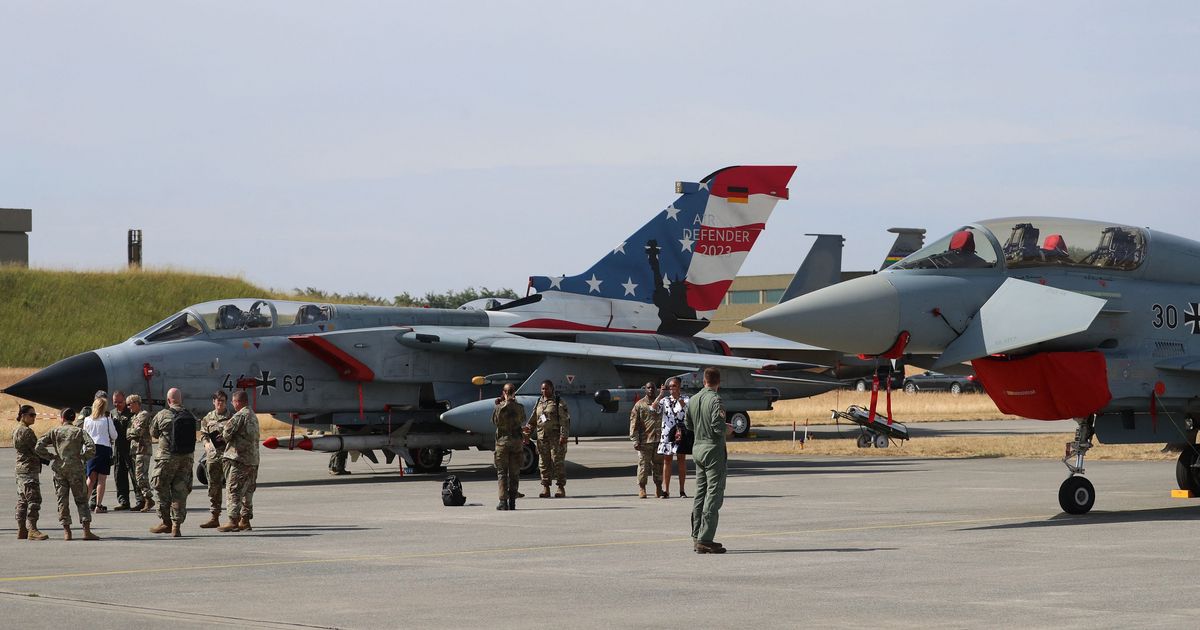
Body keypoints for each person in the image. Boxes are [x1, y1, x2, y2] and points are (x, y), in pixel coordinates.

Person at [685, 367, 731, 554]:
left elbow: (688, 424)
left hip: (697, 448)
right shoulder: (716, 400)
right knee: (714, 493)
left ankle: (697, 535)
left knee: (700, 493)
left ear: (704, 381)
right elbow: (718, 426)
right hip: (712, 449)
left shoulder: (693, 399)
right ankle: (705, 538)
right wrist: (728, 429)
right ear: (718, 382)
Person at [34, 408, 99, 540]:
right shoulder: (79, 431)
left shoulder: (55, 431)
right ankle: (86, 531)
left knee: (62, 500)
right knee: (81, 500)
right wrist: (82, 457)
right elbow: (92, 447)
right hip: (76, 469)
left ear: (62, 418)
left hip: (59, 469)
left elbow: (38, 446)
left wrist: (51, 456)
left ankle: (67, 531)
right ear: (73, 418)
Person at [149, 387, 194, 537]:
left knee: (160, 488)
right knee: (180, 492)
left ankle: (166, 522)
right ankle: (176, 526)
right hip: (186, 459)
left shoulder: (162, 415)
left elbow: (153, 433)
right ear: (181, 400)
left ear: (168, 401)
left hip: (167, 458)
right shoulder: (190, 415)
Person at [219, 390, 260, 532]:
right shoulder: (253, 416)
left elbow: (226, 433)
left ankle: (232, 521)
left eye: (233, 401)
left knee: (234, 490)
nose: (232, 404)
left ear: (238, 402)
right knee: (248, 492)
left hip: (239, 460)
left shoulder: (239, 416)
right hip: (253, 461)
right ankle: (245, 520)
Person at [524, 380, 571, 498]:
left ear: (552, 389)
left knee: (557, 462)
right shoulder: (539, 402)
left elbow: (565, 421)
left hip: (556, 438)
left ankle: (560, 487)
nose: (544, 391)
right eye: (543, 389)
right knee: (543, 464)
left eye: (547, 388)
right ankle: (546, 488)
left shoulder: (558, 402)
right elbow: (533, 420)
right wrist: (527, 434)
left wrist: (563, 436)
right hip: (542, 438)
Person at [13, 405, 49, 540]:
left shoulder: (16, 430)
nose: (34, 417)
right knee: (34, 499)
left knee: (22, 500)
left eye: (35, 415)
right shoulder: (27, 432)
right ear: (23, 415)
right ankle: (32, 529)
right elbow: (37, 449)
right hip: (29, 470)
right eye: (31, 415)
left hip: (20, 469)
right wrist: (49, 458)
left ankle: (21, 529)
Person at [198, 391, 231, 529]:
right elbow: (203, 434)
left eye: (222, 400)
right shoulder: (208, 418)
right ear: (213, 401)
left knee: (231, 487)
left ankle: (234, 517)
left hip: (228, 456)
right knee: (213, 487)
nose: (220, 402)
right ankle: (214, 517)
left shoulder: (231, 417)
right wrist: (205, 443)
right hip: (212, 457)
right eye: (217, 400)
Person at [492, 383, 526, 511]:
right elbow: (522, 420)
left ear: (504, 392)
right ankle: (512, 502)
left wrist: (500, 404)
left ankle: (503, 502)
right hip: (516, 443)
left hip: (502, 443)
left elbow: (495, 422)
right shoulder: (520, 407)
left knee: (502, 473)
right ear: (514, 393)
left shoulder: (498, 408)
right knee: (514, 473)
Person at [82, 397, 119, 513]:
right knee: (101, 480)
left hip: (91, 449)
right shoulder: (107, 420)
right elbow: (114, 436)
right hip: (103, 449)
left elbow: (84, 435)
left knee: (90, 478)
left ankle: (84, 504)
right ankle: (98, 505)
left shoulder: (87, 420)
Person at [629, 381, 664, 499]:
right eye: (648, 388)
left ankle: (659, 488)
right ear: (645, 389)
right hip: (645, 440)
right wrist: (635, 440)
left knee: (658, 465)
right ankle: (642, 488)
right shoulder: (639, 405)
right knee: (644, 465)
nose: (651, 390)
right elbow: (634, 423)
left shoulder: (661, 403)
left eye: (653, 388)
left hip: (659, 440)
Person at [656, 377, 689, 498]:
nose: (671, 388)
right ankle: (666, 490)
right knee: (667, 460)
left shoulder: (685, 398)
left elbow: (687, 410)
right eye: (670, 386)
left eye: (674, 386)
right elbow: (653, 409)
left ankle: (682, 490)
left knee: (681, 459)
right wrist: (660, 395)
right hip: (667, 433)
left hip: (680, 432)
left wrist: (678, 398)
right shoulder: (664, 400)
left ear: (679, 387)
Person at [125, 394, 156, 512]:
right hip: (135, 450)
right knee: (138, 476)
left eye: (130, 404)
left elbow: (137, 432)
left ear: (137, 403)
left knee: (140, 475)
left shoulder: (144, 415)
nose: (128, 407)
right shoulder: (134, 417)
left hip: (143, 449)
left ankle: (149, 499)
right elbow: (128, 433)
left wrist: (131, 433)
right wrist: (131, 433)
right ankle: (144, 499)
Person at [109, 391, 134, 510]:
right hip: (118, 448)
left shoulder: (131, 413)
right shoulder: (112, 413)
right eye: (115, 402)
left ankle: (141, 499)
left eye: (120, 402)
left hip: (130, 448)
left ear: (125, 401)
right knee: (119, 475)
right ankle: (123, 501)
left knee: (134, 475)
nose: (117, 404)